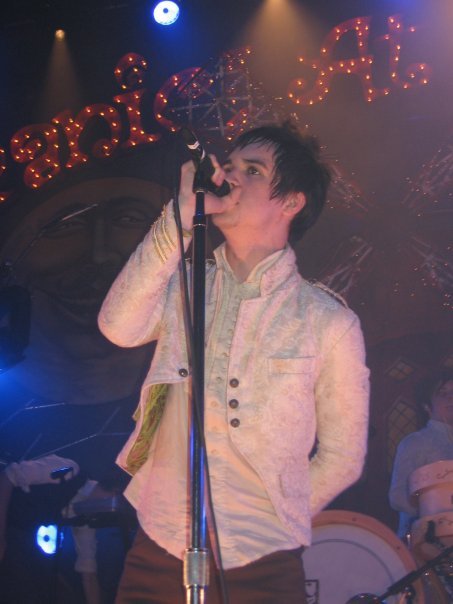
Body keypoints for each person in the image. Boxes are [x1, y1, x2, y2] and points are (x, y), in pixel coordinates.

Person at [98, 122, 370, 603]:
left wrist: (274, 519)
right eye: (230, 166)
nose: (230, 176)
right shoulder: (184, 286)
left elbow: (343, 457)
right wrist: (180, 219)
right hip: (160, 542)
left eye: (253, 170)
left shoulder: (328, 321)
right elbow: (117, 326)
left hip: (263, 561)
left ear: (292, 202)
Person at [389, 367, 453, 539]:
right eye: (443, 393)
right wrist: (435, 512)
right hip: (426, 541)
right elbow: (397, 496)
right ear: (426, 406)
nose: (451, 398)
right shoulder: (415, 443)